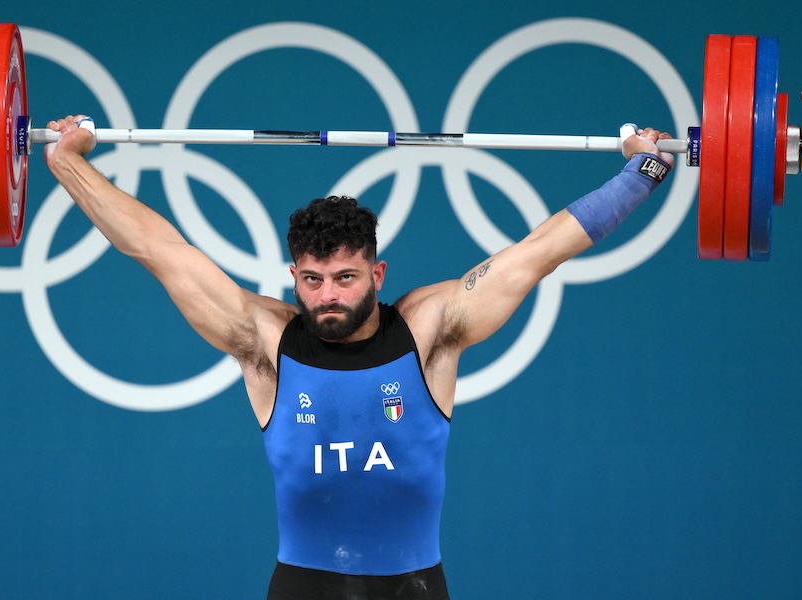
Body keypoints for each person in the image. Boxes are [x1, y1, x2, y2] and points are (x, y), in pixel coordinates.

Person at [44, 115, 674, 600]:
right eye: (312, 281)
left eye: (345, 277)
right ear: (293, 275)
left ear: (377, 272)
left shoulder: (432, 329)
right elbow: (160, 250)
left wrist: (639, 173)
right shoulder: (265, 340)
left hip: (415, 588)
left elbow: (538, 252)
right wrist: (68, 163)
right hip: (303, 588)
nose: (329, 296)